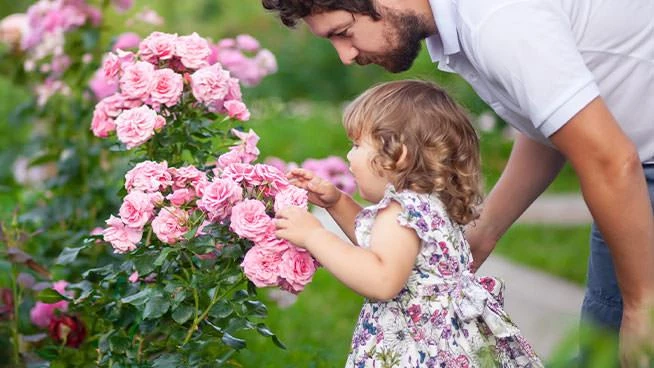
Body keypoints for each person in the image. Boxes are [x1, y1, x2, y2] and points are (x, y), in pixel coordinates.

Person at [261, 0, 654, 364]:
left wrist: (642, 305)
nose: (346, 56)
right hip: (632, 168)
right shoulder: (468, 30)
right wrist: (484, 234)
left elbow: (611, 161)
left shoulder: (497, 22)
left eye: (343, 31)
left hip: (634, 171)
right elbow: (549, 130)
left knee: (621, 343)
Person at [274, 80, 543, 367]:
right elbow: (382, 247)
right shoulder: (428, 203)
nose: (349, 156)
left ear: (398, 155)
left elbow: (382, 279)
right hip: (444, 344)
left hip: (414, 352)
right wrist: (337, 202)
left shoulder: (401, 211)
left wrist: (315, 235)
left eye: (356, 145)